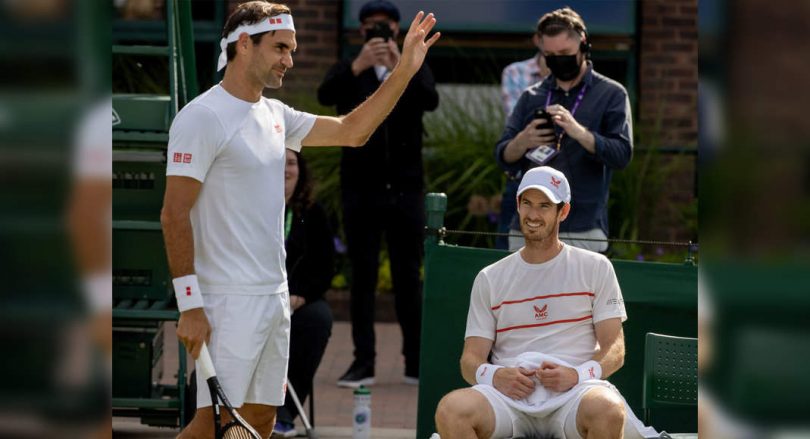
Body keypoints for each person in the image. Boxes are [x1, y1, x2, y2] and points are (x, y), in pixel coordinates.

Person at [160, 2, 440, 437]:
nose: (289, 60)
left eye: (292, 49)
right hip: (226, 301)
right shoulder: (201, 117)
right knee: (210, 426)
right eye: (280, 48)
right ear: (244, 45)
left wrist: (403, 70)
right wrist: (191, 305)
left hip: (274, 297)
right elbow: (173, 215)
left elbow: (353, 130)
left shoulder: (276, 115)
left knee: (260, 422)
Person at [434, 166, 657, 439]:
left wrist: (576, 375)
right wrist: (495, 375)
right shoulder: (489, 278)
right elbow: (470, 360)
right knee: (450, 411)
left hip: (575, 394)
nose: (533, 215)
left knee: (608, 410)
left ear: (562, 212)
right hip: (507, 399)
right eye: (527, 203)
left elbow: (615, 349)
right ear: (517, 206)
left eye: (544, 206)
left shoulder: (596, 267)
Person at [317, 0, 439, 388]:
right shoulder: (349, 67)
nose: (378, 34)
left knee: (408, 278)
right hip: (361, 190)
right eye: (370, 28)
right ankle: (362, 361)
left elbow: (430, 99)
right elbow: (325, 95)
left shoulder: (413, 62)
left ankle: (414, 362)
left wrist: (402, 64)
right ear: (360, 33)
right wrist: (359, 66)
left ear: (398, 30)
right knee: (363, 279)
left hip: (406, 190)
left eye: (384, 28)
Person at [495, 7, 633, 253]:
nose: (558, 59)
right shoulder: (532, 96)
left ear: (583, 45)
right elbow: (503, 156)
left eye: (565, 53)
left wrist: (579, 131)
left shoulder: (611, 94)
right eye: (549, 54)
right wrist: (523, 140)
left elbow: (622, 154)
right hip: (529, 227)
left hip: (584, 227)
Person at [273, 150, 335, 437]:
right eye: (279, 161)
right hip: (254, 296)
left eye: (292, 163)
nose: (286, 169)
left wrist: (301, 296)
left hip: (297, 300)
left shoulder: (312, 212)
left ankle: (284, 412)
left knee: (318, 320)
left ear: (301, 170)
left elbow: (325, 267)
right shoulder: (249, 205)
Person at [495, 25, 551, 250]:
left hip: (564, 174)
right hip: (522, 171)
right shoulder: (515, 72)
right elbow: (516, 122)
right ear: (537, 40)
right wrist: (550, 83)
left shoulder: (582, 81)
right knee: (509, 250)